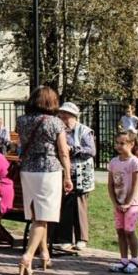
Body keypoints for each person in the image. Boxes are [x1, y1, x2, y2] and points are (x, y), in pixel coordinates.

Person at [15, 86, 73, 275]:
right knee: (43, 217)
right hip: (48, 169)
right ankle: (27, 256)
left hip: (27, 169)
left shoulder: (22, 121)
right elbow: (63, 151)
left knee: (37, 215)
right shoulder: (55, 122)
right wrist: (67, 175)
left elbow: (21, 144)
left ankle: (45, 254)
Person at [53, 102, 96, 251]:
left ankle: (81, 238)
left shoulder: (84, 131)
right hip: (64, 172)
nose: (63, 119)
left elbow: (91, 151)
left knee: (79, 205)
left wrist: (72, 149)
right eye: (61, 116)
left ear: (74, 117)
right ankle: (65, 238)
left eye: (66, 117)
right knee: (65, 206)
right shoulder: (60, 132)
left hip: (81, 173)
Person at [107, 131, 138, 274]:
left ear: (131, 144)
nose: (119, 146)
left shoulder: (134, 162)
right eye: (117, 143)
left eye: (122, 143)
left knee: (129, 231)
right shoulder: (114, 162)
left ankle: (134, 260)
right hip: (119, 203)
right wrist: (115, 202)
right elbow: (110, 184)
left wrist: (128, 202)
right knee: (120, 231)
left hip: (132, 203)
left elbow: (136, 184)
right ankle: (123, 259)